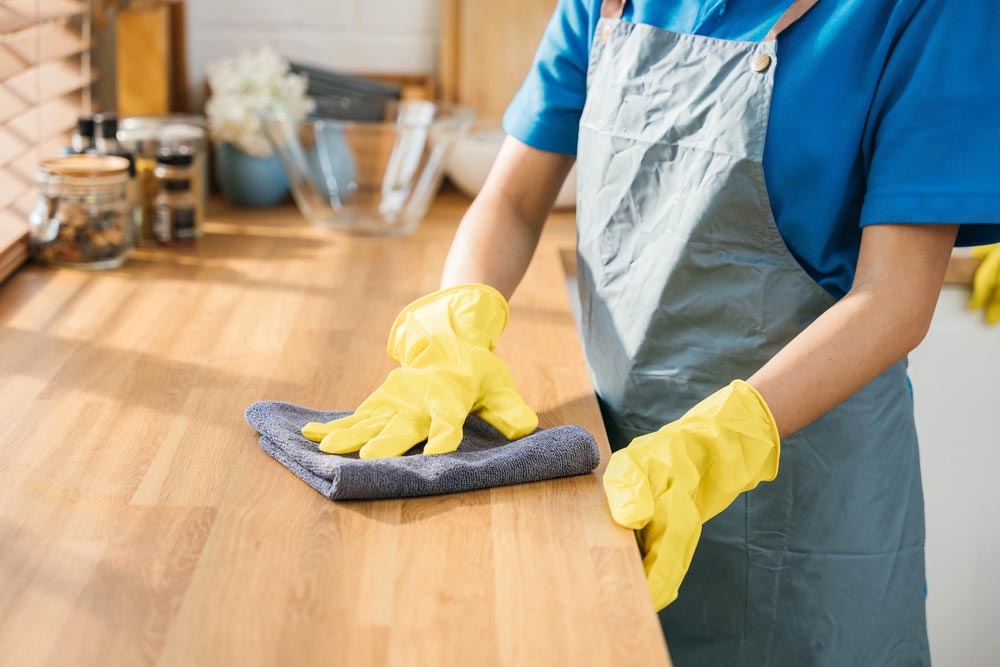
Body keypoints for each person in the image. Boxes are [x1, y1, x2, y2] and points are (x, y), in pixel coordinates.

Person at [303, 0, 1000, 664]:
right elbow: (512, 197)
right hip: (615, 484)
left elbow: (894, 297)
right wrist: (453, 332)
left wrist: (716, 445)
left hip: (804, 516)